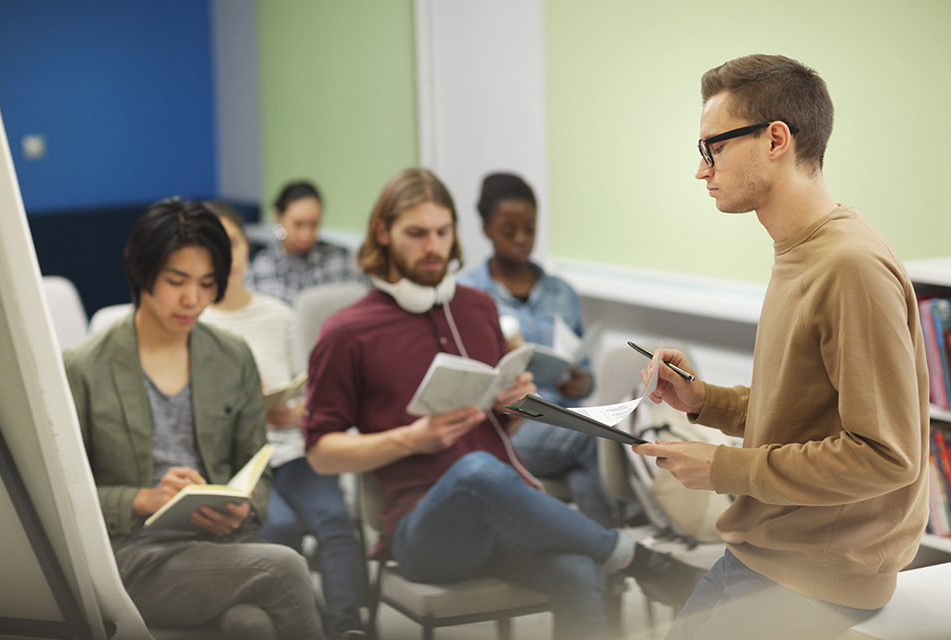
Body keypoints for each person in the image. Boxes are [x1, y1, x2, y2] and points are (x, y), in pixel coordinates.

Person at [302, 167, 697, 640]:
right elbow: (321, 453)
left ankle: (623, 561)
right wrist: (411, 438)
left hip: (502, 514)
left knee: (576, 570)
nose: (434, 247)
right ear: (383, 233)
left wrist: (512, 409)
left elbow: (495, 430)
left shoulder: (475, 308)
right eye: (417, 234)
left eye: (443, 233)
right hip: (422, 531)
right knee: (474, 472)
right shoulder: (347, 331)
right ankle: (640, 559)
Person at [632, 54, 930, 640]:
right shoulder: (800, 250)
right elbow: (803, 412)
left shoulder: (849, 266)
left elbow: (886, 455)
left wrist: (725, 468)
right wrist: (703, 401)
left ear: (775, 140)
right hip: (759, 553)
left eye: (710, 148)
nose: (702, 170)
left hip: (815, 576)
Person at [64, 198, 324, 640]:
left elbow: (257, 467)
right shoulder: (84, 366)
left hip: (222, 547)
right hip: (132, 556)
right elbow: (67, 498)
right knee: (286, 568)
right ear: (142, 272)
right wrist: (145, 499)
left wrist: (241, 509)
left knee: (252, 624)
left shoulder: (231, 355)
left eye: (207, 284)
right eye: (177, 281)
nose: (193, 299)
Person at [200, 202, 367, 640]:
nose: (223, 254)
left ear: (244, 247)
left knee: (335, 520)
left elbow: (308, 393)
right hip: (240, 460)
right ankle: (304, 626)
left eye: (231, 242)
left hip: (291, 449)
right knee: (278, 528)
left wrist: (294, 413)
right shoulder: (194, 323)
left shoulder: (279, 314)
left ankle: (348, 628)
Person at [459, 171, 622, 528]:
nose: (522, 239)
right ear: (486, 229)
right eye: (508, 231)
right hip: (511, 427)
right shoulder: (467, 295)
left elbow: (586, 375)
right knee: (593, 440)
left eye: (530, 229)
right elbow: (466, 383)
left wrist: (580, 383)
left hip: (564, 417)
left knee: (583, 470)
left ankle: (605, 568)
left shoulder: (561, 292)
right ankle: (630, 548)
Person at [246, 180, 361, 306]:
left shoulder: (342, 260)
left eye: (313, 224)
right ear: (279, 217)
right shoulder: (260, 269)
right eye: (298, 224)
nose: (306, 234)